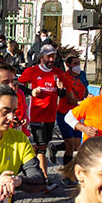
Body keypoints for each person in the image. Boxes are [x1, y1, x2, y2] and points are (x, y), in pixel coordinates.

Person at [18, 45, 63, 177]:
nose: (51, 59)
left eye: (53, 56)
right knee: (42, 148)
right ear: (41, 57)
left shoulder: (57, 72)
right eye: (48, 56)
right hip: (37, 114)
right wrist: (31, 91)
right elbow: (18, 85)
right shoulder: (32, 71)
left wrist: (62, 89)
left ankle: (28, 153)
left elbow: (63, 94)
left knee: (42, 144)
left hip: (51, 115)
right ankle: (44, 179)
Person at [54, 53, 88, 166]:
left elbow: (85, 90)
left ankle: (55, 147)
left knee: (77, 146)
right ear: (68, 65)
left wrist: (88, 97)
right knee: (70, 146)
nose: (78, 66)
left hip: (77, 113)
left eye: (79, 63)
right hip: (65, 113)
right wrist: (87, 103)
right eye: (75, 64)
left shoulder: (82, 75)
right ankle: (67, 173)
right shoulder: (65, 78)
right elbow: (71, 100)